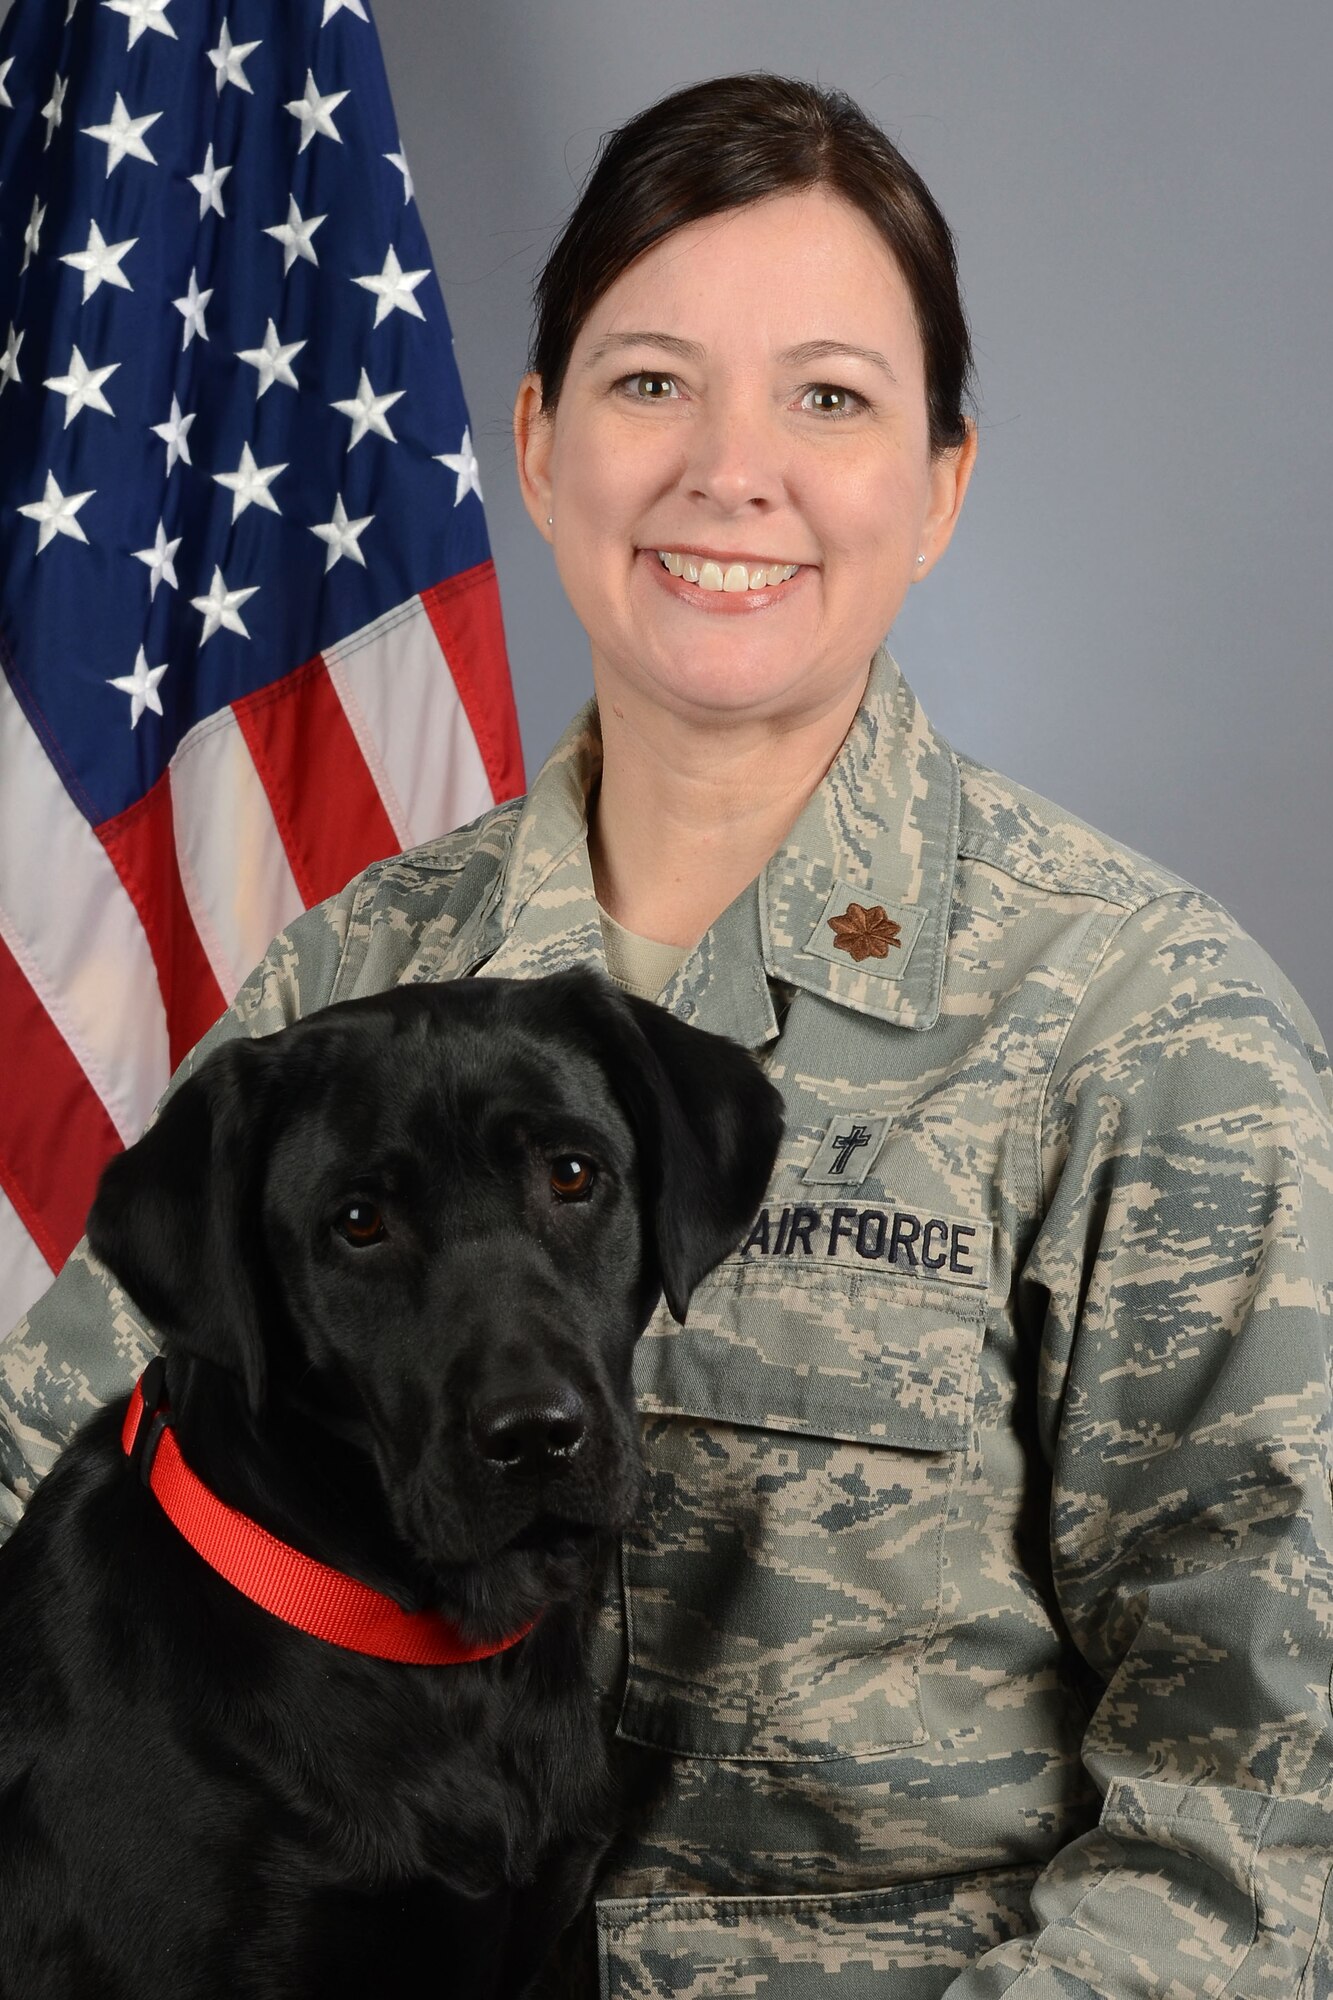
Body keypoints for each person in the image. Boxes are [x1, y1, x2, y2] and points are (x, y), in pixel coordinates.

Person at [3, 72, 1331, 1999]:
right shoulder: (363, 972)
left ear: (941, 481)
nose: (731, 470)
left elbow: (1263, 1818)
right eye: (647, 385)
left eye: (828, 396)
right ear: (537, 449)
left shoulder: (1148, 1027)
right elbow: (45, 1460)